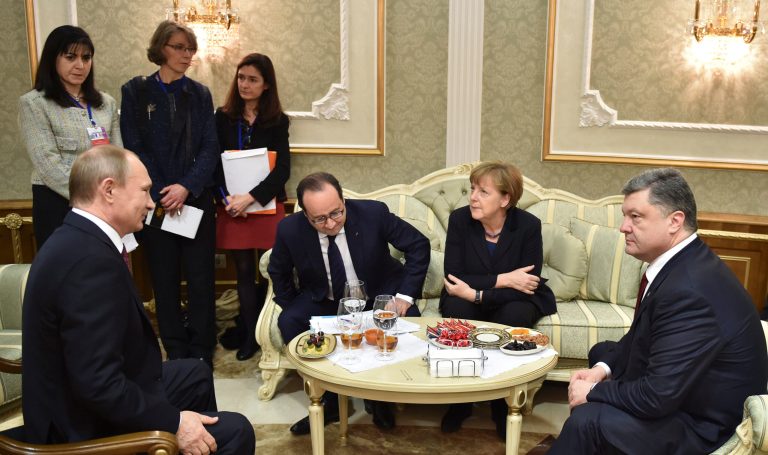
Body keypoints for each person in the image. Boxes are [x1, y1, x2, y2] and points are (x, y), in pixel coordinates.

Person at [21, 145, 254, 454]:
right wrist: (174, 423)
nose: (150, 202)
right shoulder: (88, 263)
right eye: (144, 191)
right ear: (109, 190)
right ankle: (186, 441)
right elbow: (98, 386)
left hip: (91, 393)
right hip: (80, 425)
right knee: (236, 430)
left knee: (195, 373)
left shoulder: (78, 238)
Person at [547, 168, 768, 455]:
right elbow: (639, 336)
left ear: (675, 221)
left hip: (704, 428)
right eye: (625, 216)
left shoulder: (689, 290)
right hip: (685, 398)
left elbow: (656, 396)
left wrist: (593, 392)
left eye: (635, 217)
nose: (623, 227)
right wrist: (601, 372)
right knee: (602, 353)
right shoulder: (683, 264)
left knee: (588, 421)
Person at [268, 172, 430, 435]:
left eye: (337, 213)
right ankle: (327, 401)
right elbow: (279, 271)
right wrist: (290, 303)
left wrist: (403, 296)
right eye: (320, 219)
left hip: (378, 294)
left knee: (407, 316)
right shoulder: (290, 229)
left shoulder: (373, 213)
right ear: (306, 215)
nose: (331, 224)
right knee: (290, 320)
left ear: (343, 200)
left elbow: (418, 245)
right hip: (326, 299)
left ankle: (381, 399)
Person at [120, 21, 218, 367]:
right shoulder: (136, 91)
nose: (187, 55)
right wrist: (164, 190)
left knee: (201, 279)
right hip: (156, 203)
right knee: (164, 280)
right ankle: (175, 350)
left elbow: (210, 148)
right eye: (179, 47)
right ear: (161, 48)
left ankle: (203, 349)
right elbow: (133, 146)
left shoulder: (200, 93)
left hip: (195, 201)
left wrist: (186, 186)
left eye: (190, 49)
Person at [439, 161, 556, 438]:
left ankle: (501, 406)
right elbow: (455, 276)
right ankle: (461, 402)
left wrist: (478, 292)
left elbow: (526, 283)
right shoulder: (459, 220)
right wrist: (503, 279)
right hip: (466, 295)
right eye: (472, 189)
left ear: (506, 199)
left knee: (515, 314)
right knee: (457, 307)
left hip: (514, 299)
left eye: (483, 191)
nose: (473, 197)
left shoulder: (528, 226)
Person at [214, 53, 290, 361]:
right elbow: (213, 161)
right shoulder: (222, 116)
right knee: (243, 272)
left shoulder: (277, 120)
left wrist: (252, 198)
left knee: (272, 272)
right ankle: (249, 337)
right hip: (231, 207)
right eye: (241, 78)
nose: (244, 84)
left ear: (266, 85)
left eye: (252, 79)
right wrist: (228, 198)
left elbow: (282, 168)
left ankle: (272, 333)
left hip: (266, 205)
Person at [19, 25, 121, 248]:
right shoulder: (35, 103)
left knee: (101, 271)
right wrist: (93, 198)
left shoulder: (106, 103)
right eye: (70, 57)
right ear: (52, 59)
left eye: (86, 57)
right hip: (57, 202)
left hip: (104, 202)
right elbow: (47, 164)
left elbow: (117, 157)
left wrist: (112, 195)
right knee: (66, 274)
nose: (80, 65)